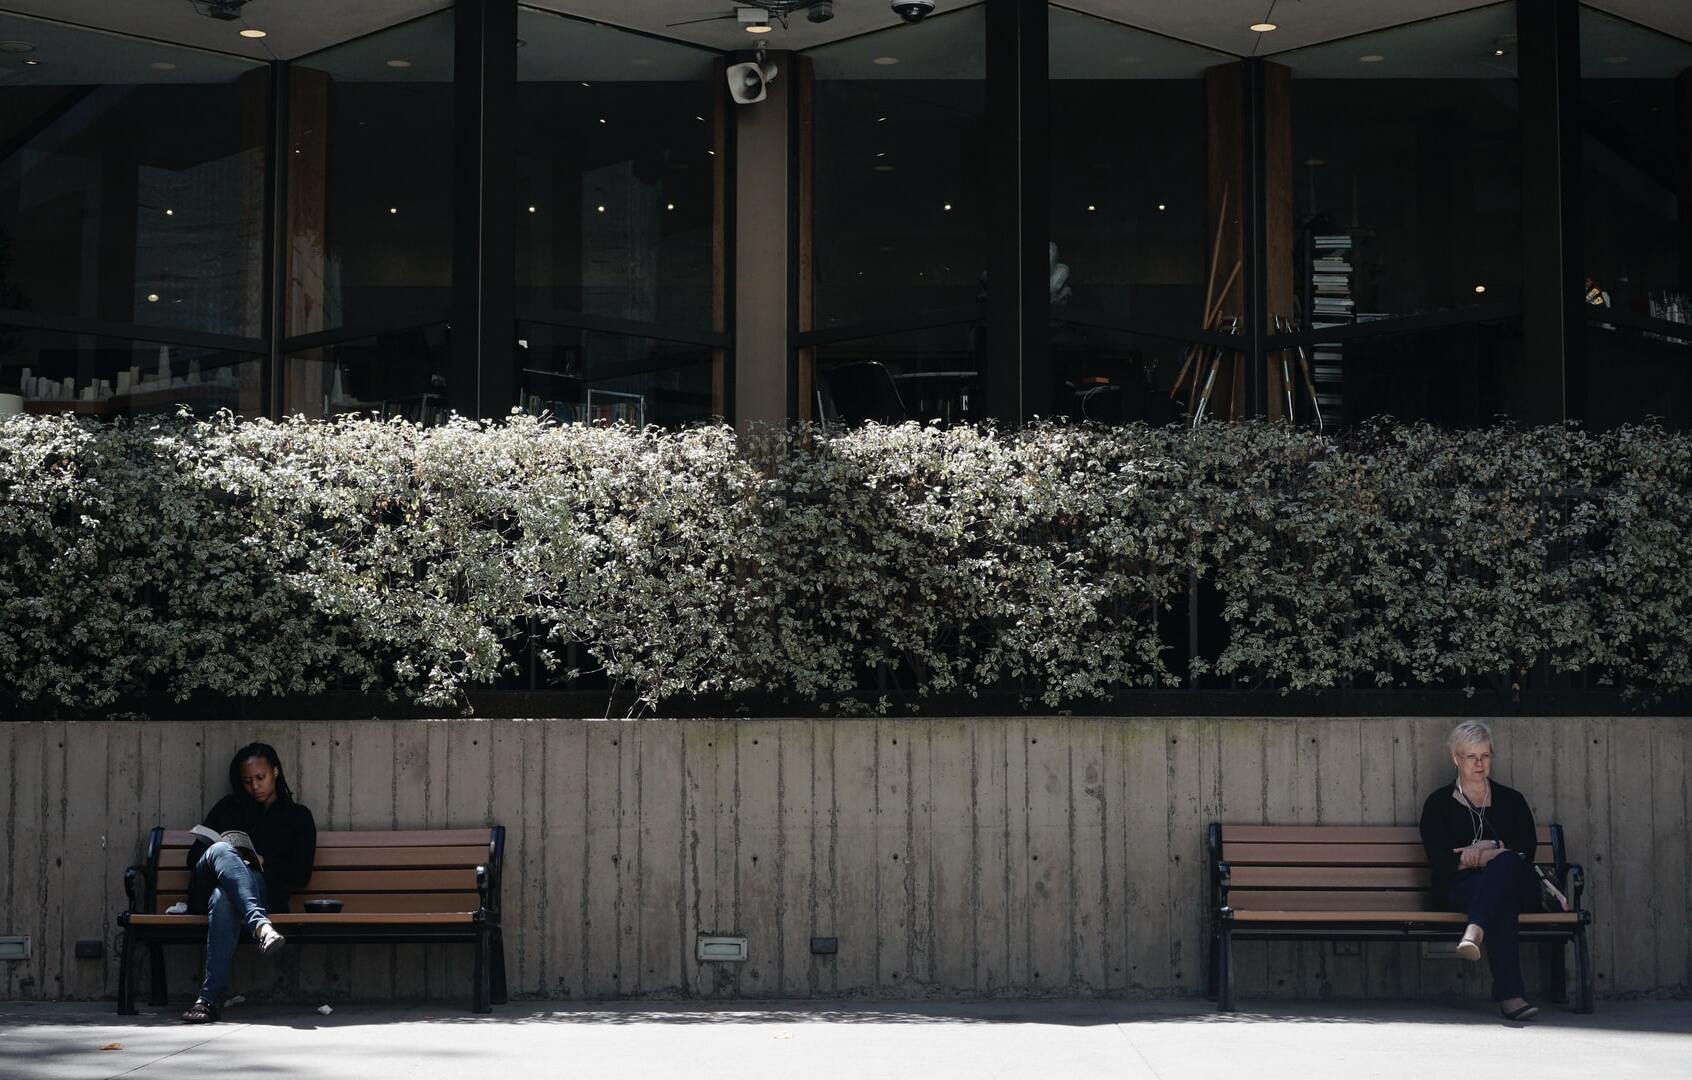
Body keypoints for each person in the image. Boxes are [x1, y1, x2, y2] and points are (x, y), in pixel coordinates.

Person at [179, 742, 318, 1024]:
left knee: (223, 899)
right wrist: (226, 852)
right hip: (205, 887)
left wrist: (264, 863)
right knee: (219, 851)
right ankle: (261, 926)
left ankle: (207, 1001)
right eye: (247, 781)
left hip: (260, 891)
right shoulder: (228, 809)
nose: (254, 786)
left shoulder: (297, 816)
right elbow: (193, 858)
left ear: (275, 772)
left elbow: (301, 874)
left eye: (260, 778)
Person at [1418, 720, 1545, 1022]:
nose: (1479, 763)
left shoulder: (1511, 800)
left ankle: (1474, 930)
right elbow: (1440, 861)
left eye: (1485, 756)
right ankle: (1511, 997)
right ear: (1456, 759)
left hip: (1518, 884)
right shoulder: (1438, 804)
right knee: (1501, 899)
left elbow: (1525, 852)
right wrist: (1485, 858)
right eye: (1471, 757)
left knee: (1506, 865)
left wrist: (1488, 850)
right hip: (1460, 888)